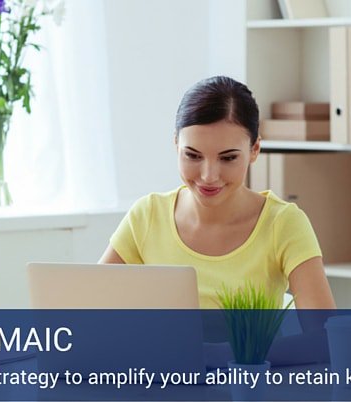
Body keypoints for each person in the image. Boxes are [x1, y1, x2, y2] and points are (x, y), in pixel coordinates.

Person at [99, 76, 335, 312]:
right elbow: (88, 304)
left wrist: (227, 351)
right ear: (175, 144)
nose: (208, 176)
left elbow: (323, 334)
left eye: (228, 157)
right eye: (192, 155)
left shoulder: (283, 223)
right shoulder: (148, 215)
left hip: (252, 352)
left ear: (254, 150)